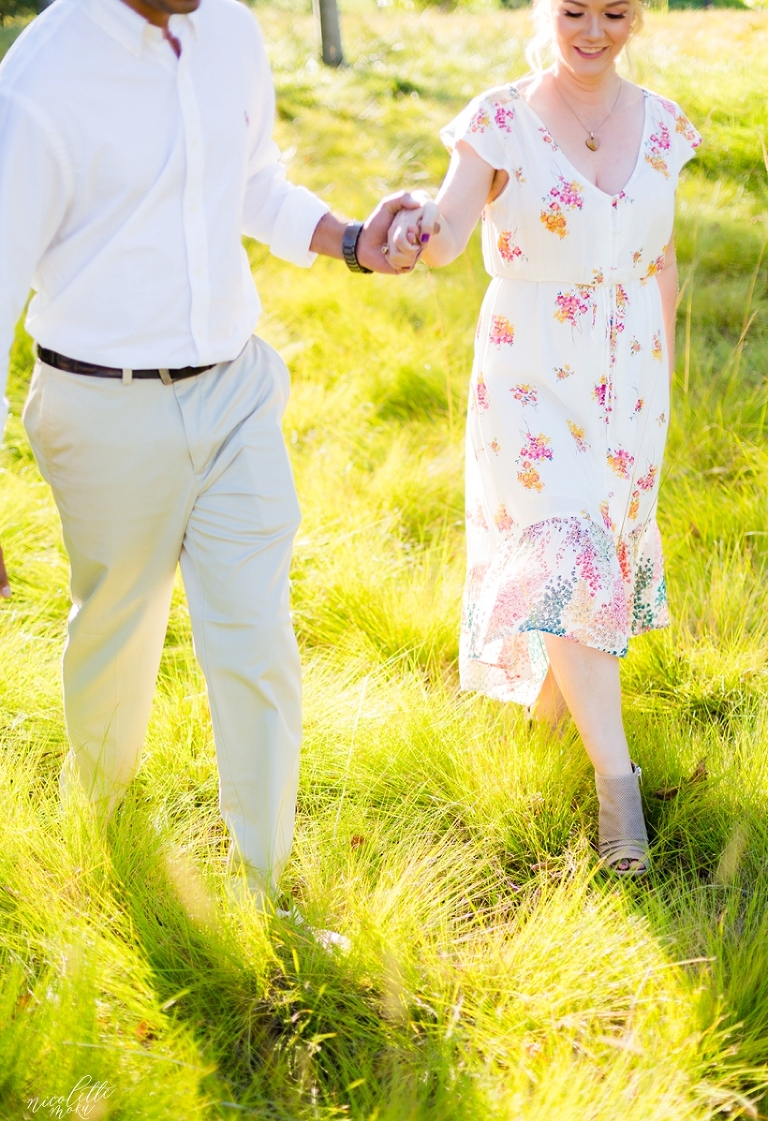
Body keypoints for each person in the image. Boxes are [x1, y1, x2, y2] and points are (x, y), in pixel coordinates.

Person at [0, 0, 421, 916]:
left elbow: (251, 183)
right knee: (116, 631)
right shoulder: (40, 83)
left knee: (256, 636)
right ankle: (103, 851)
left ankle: (269, 893)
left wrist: (351, 239)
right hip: (101, 403)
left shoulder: (227, 26)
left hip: (235, 389)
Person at [387, 0, 701, 872]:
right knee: (568, 552)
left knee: (601, 554)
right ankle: (620, 793)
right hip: (529, 379)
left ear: (640, 15)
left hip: (632, 382)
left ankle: (542, 724)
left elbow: (662, 259)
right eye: (574, 10)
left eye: (614, 11)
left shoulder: (663, 125)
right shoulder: (500, 120)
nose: (592, 30)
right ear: (546, 11)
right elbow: (451, 229)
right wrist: (420, 233)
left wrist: (662, 385)